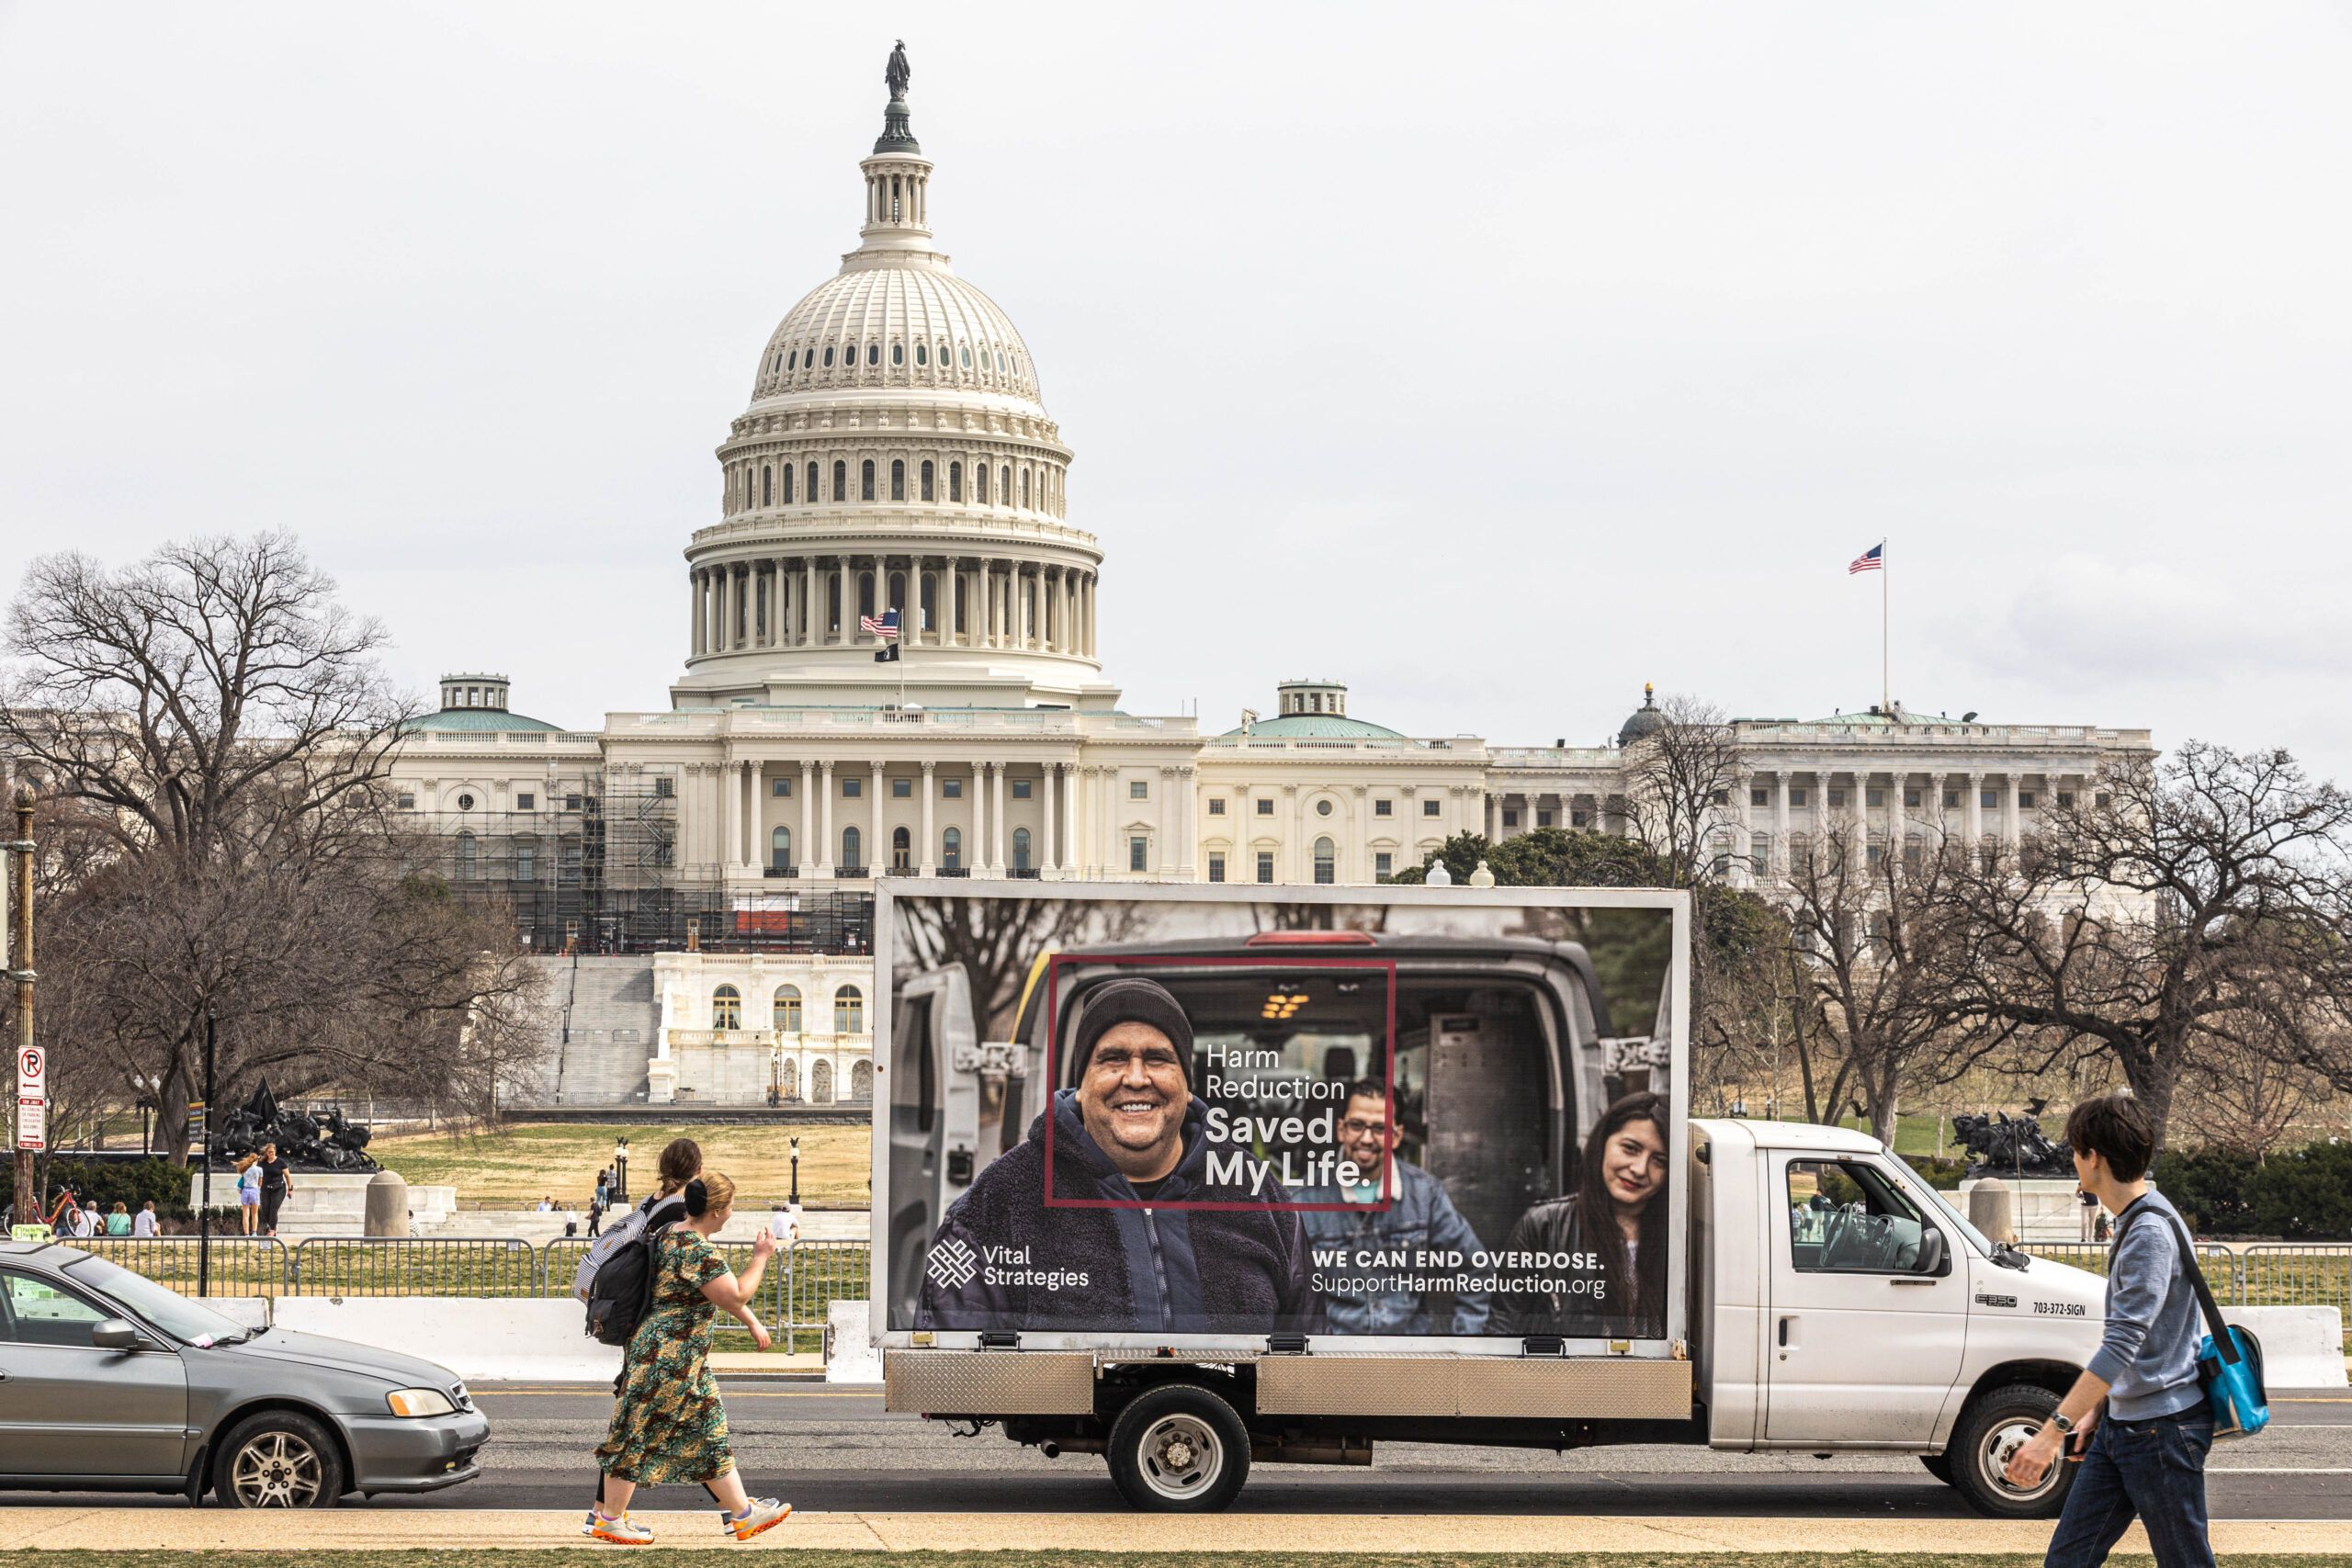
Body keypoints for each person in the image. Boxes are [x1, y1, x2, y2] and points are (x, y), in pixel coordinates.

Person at [915, 975, 1317, 1334]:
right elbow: (950, 1366)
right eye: (1113, 1059)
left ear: (1187, 1084)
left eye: (1158, 1058)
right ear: (1082, 1083)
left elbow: (1310, 1362)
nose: (1137, 1078)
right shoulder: (1000, 1199)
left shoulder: (1257, 1195)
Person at [2007, 1094, 2213, 1568]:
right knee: (2068, 1561)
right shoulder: (2137, 1219)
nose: (2074, 1162)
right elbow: (2142, 1339)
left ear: (2093, 1157)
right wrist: (2101, 1405)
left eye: (2076, 1152)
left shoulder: (2149, 1233)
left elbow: (2122, 1344)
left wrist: (2050, 1433)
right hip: (2123, 1425)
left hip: (2161, 1431)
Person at [586, 1171, 791, 1544]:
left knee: (709, 1431)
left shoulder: (671, 1232)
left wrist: (752, 1324)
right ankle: (609, 1519)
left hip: (682, 1360)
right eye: (729, 1207)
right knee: (636, 1432)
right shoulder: (696, 1249)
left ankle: (743, 1513)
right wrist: (762, 1256)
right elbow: (736, 1295)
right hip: (667, 1357)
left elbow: (721, 1297)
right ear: (714, 1211)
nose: (731, 1212)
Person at [1294, 1078, 1489, 1335]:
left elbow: (1473, 1268)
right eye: (1356, 1125)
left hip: (1408, 1358)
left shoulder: (1425, 1194)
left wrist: (1465, 1349)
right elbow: (1287, 1293)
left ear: (1396, 1136)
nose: (1366, 1138)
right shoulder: (1304, 1200)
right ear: (1341, 1130)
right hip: (1332, 1359)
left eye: (1379, 1128)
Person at [1489, 1091, 1669, 1340]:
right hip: (1563, 1378)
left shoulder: (1680, 1237)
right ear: (1603, 1142)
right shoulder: (1543, 1227)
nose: (1639, 1169)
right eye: (1630, 1149)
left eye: (1659, 1161)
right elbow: (1502, 1334)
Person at [256, 1143, 292, 1237]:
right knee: (265, 1209)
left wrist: (290, 1189)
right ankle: (274, 1226)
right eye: (269, 1152)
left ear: (275, 1151)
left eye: (272, 1152)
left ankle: (272, 1231)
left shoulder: (280, 1162)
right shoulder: (262, 1162)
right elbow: (256, 1172)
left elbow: (287, 1176)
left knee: (273, 1208)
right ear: (266, 1152)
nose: (270, 1154)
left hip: (279, 1188)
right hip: (265, 1189)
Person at [235, 1153, 265, 1235]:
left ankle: (246, 1233)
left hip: (245, 1191)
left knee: (245, 1214)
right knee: (255, 1213)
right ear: (257, 1160)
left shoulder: (244, 1168)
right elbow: (260, 1184)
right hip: (254, 1190)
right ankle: (254, 1232)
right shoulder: (259, 1169)